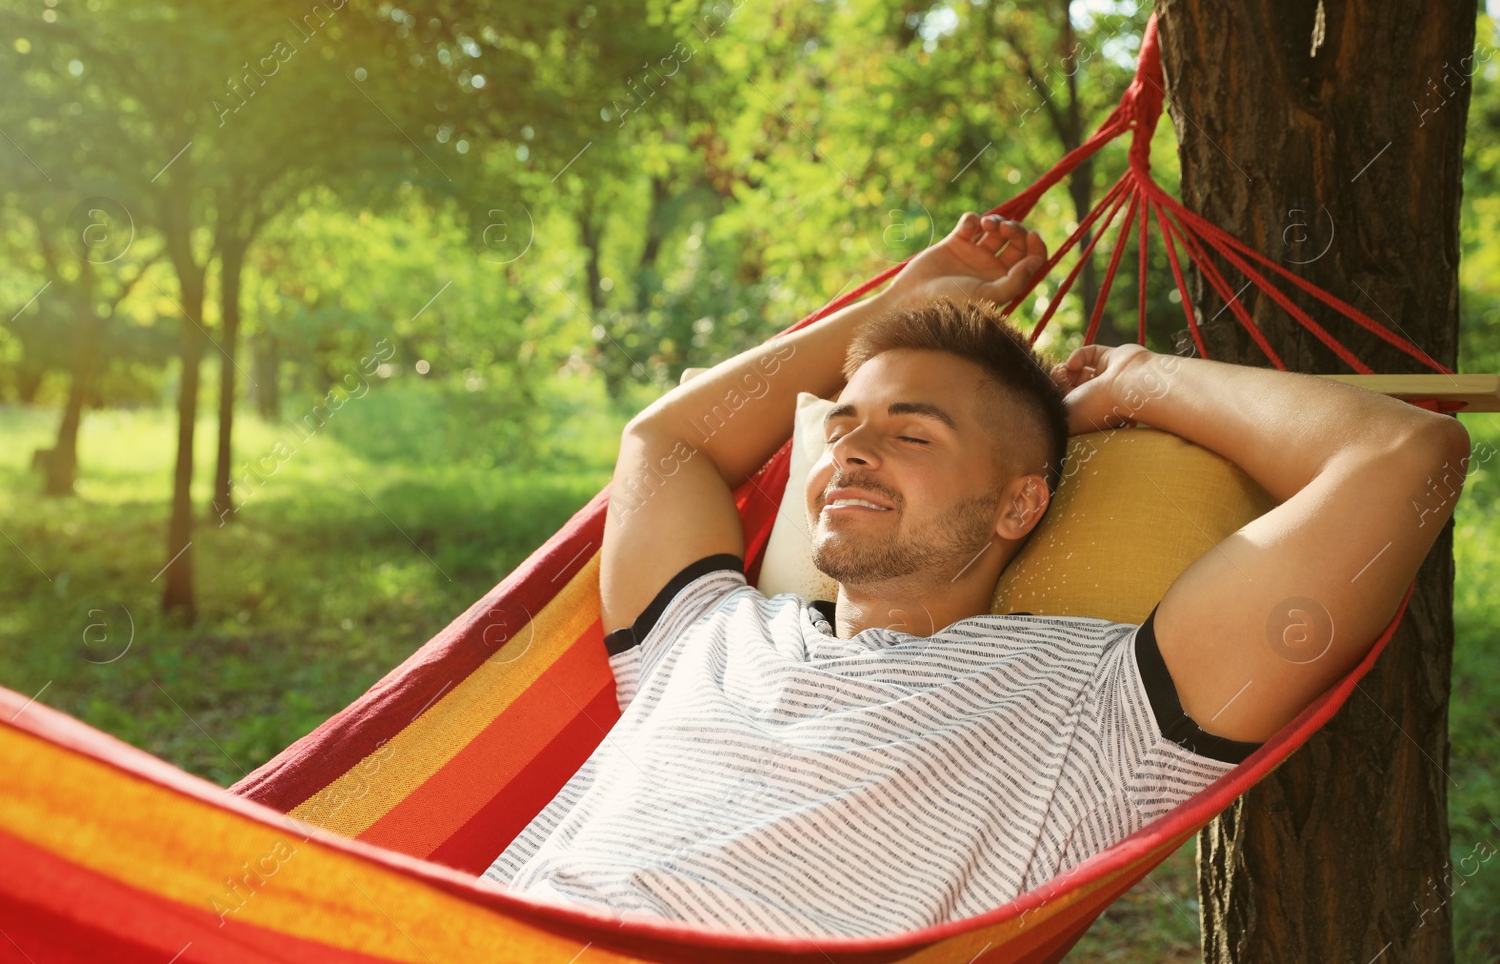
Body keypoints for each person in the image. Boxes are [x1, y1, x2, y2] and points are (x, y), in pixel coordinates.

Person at [482, 212, 1471, 937]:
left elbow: (1404, 459)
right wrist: (903, 304)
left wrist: (1137, 379)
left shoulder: (1100, 705)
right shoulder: (711, 632)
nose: (850, 453)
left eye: (910, 431)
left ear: (1017, 505)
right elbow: (663, 442)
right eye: (842, 427)